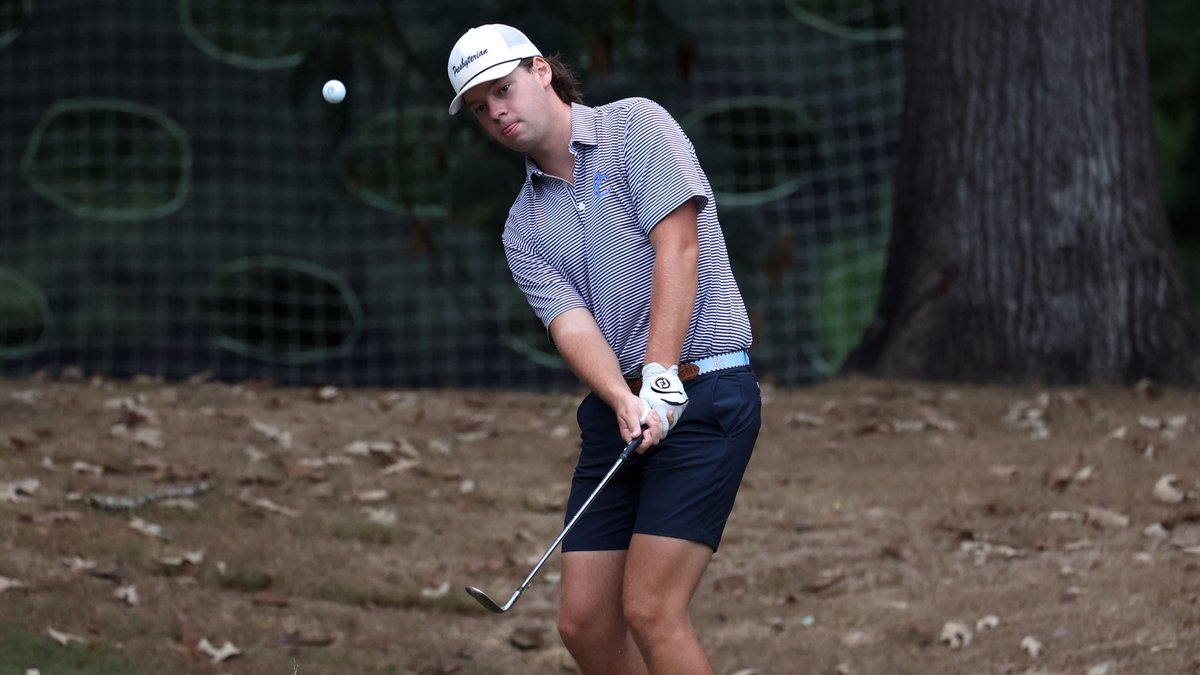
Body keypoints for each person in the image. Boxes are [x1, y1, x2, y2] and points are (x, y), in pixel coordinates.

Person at [447, 24, 761, 674]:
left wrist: (661, 376)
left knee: (651, 608)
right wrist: (622, 395)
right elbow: (572, 326)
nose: (497, 111)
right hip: (622, 412)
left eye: (502, 89)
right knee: (585, 624)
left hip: (704, 394)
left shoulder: (634, 127)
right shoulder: (522, 226)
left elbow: (680, 247)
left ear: (540, 72)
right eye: (480, 106)